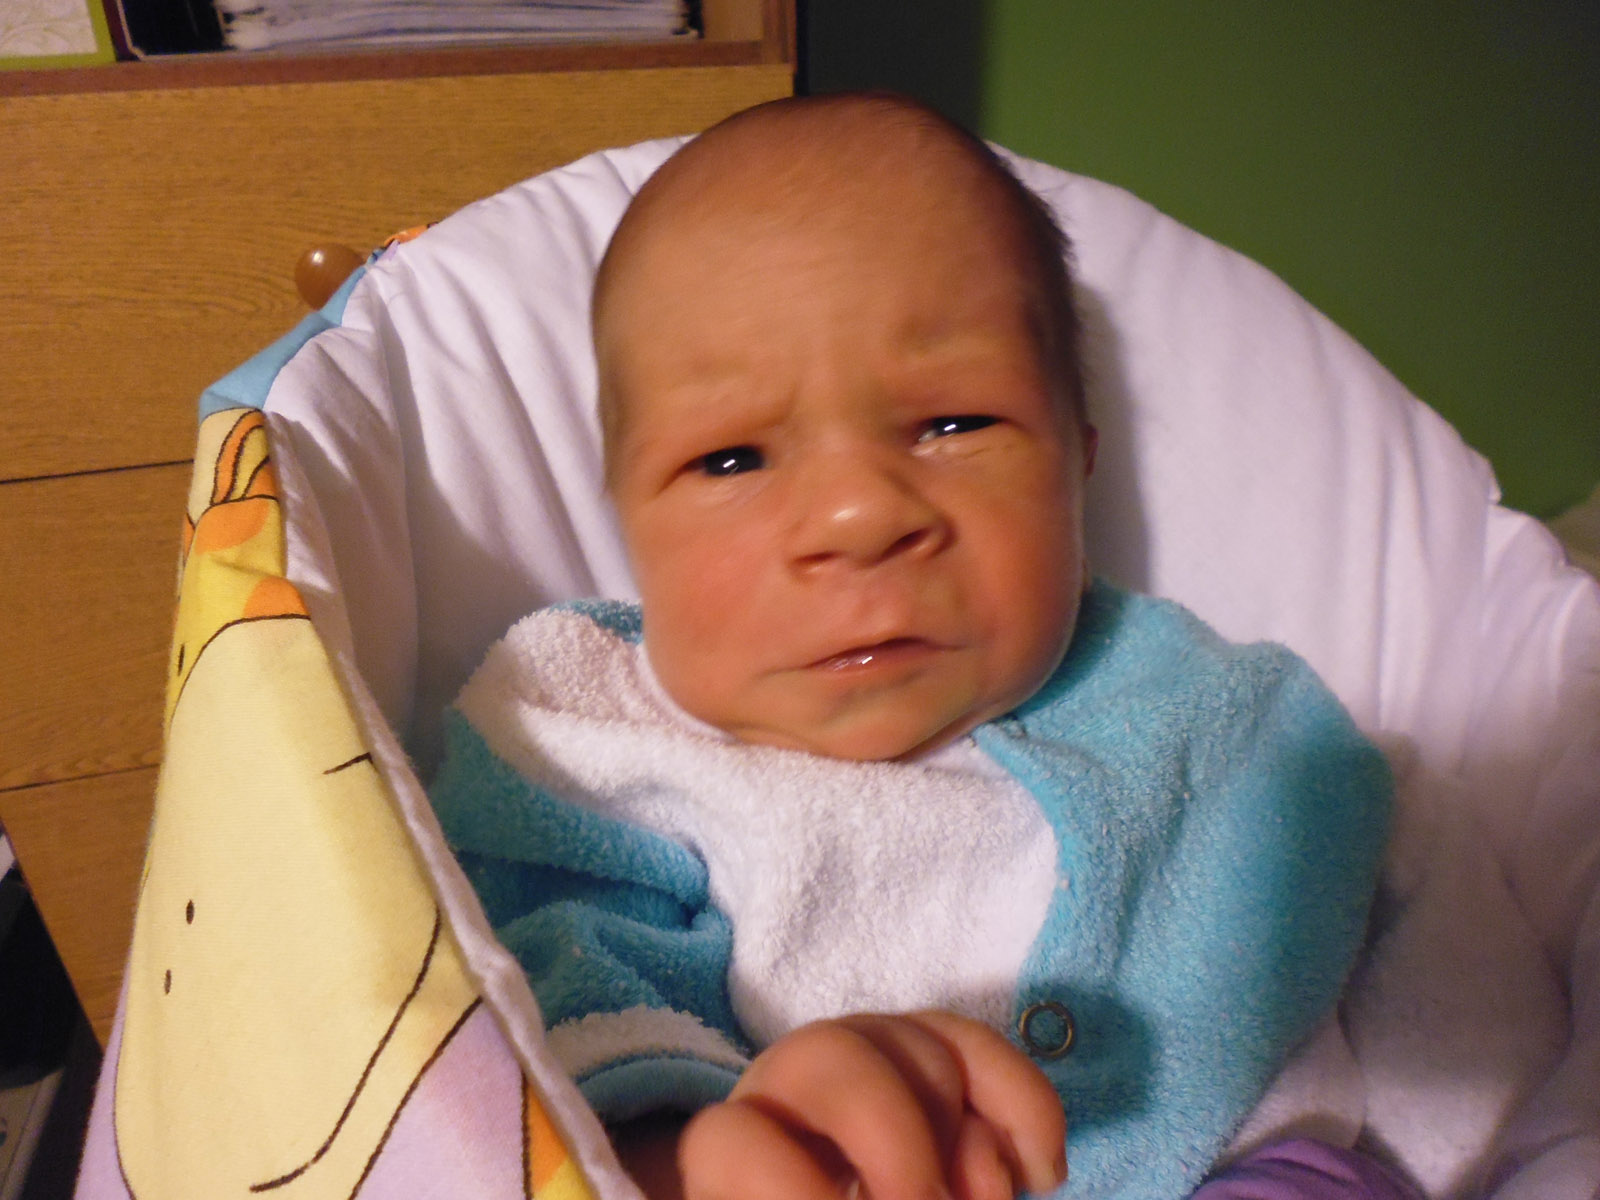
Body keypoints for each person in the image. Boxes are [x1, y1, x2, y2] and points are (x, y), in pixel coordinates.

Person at [429, 94, 1412, 1200]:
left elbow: (1461, 1007)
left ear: (1076, 461)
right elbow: (528, 1056)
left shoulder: (1227, 718)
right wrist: (701, 1156)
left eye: (955, 423)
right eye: (732, 459)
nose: (860, 515)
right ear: (623, 518)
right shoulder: (579, 742)